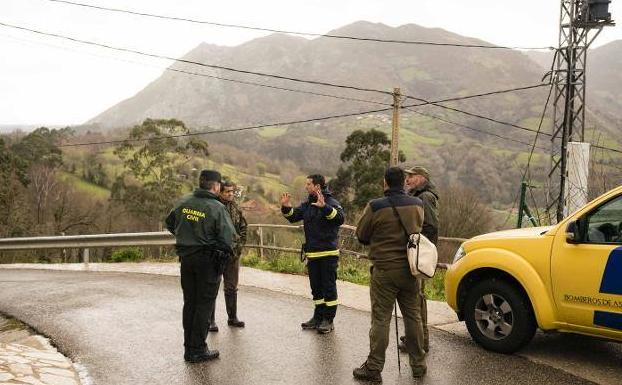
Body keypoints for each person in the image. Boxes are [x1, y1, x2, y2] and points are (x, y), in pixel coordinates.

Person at [353, 167, 427, 382]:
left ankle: (374, 368)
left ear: (385, 182)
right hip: (411, 270)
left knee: (381, 319)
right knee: (413, 317)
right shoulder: (417, 204)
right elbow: (418, 230)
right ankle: (419, 365)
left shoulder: (376, 206)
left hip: (385, 270)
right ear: (404, 182)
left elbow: (362, 235)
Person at [165, 170, 235, 363]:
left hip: (186, 259)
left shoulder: (184, 202)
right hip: (207, 261)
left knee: (190, 303)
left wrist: (188, 236)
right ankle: (197, 350)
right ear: (216, 186)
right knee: (204, 305)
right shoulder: (217, 207)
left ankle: (189, 347)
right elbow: (229, 237)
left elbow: (170, 223)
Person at [280, 174, 345, 334]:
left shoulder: (331, 202)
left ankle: (328, 320)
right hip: (313, 254)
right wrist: (286, 207)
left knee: (328, 288)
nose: (306, 187)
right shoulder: (308, 204)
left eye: (308, 184)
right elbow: (294, 216)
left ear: (317, 186)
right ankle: (318, 317)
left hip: (328, 253)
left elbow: (340, 219)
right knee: (316, 288)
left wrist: (325, 208)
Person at [399, 165, 440, 353]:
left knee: (416, 298)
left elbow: (430, 226)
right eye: (407, 177)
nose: (407, 180)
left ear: (422, 178)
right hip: (419, 252)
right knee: (414, 297)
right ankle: (414, 336)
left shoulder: (425, 197)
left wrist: (416, 246)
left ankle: (420, 341)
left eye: (412, 176)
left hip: (419, 254)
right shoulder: (421, 195)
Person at [207, 180, 248, 331]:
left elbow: (243, 228)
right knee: (212, 286)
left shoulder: (236, 208)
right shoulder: (212, 207)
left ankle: (232, 317)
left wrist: (238, 248)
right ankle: (210, 321)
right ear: (220, 192)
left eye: (232, 191)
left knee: (231, 287)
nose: (231, 194)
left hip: (232, 255)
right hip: (216, 255)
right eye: (227, 192)